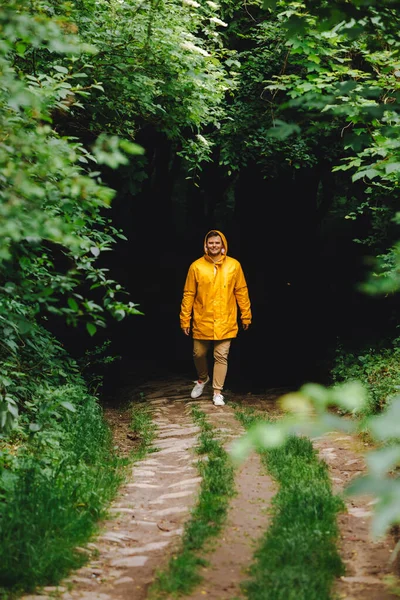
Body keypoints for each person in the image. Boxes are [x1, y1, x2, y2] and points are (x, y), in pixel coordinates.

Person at [180, 230, 252, 406]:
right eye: (211, 243)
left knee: (221, 355)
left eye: (217, 243)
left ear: (223, 245)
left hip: (225, 318)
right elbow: (189, 294)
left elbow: (241, 291)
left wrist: (246, 315)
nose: (214, 246)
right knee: (199, 353)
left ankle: (217, 392)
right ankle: (202, 378)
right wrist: (185, 318)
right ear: (206, 245)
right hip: (202, 318)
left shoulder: (234, 265)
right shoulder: (196, 266)